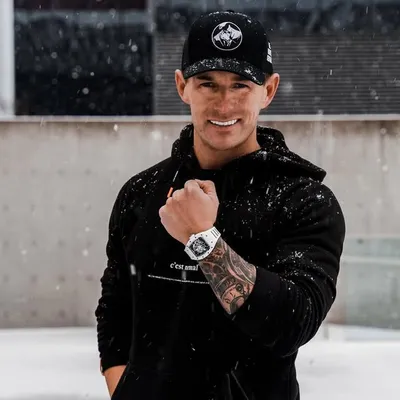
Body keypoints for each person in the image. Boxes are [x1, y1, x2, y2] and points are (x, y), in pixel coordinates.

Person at [95, 9, 346, 400]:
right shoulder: (142, 192)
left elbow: (293, 322)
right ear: (182, 87)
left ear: (269, 90)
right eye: (207, 84)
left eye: (241, 85)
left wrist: (202, 239)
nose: (224, 104)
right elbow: (116, 307)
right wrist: (125, 387)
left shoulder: (303, 201)